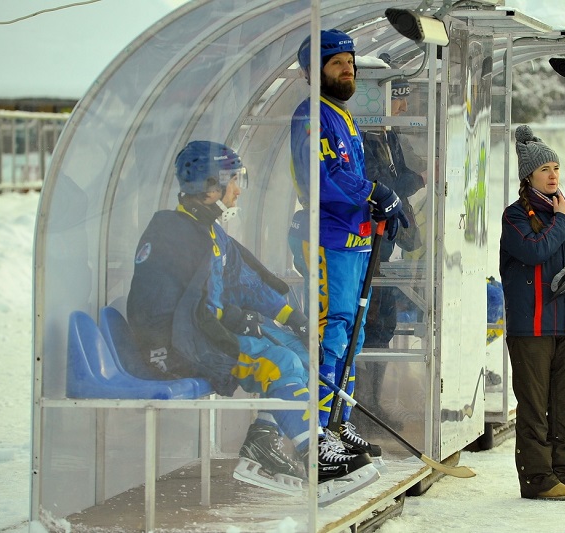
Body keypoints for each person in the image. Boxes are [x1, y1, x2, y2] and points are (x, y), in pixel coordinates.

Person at [127, 140, 378, 503]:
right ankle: (314, 458)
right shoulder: (176, 234)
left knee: (299, 350)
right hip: (178, 346)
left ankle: (262, 440)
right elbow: (170, 313)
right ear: (211, 187)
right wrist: (235, 328)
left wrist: (295, 321)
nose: (239, 188)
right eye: (232, 179)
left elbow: (246, 282)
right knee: (278, 363)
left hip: (201, 333)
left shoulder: (208, 230)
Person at [287, 30, 409, 469]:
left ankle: (339, 421)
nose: (347, 68)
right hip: (329, 242)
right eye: (336, 62)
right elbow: (325, 178)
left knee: (352, 335)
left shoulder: (343, 116)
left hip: (355, 242)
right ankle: (316, 433)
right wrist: (373, 189)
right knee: (332, 334)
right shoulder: (312, 116)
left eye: (350, 62)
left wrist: (380, 203)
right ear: (311, 72)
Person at [499, 125, 565, 501]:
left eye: (556, 167)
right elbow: (534, 252)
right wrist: (560, 220)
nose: (553, 174)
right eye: (545, 169)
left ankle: (562, 471)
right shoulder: (515, 217)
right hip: (533, 328)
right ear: (529, 176)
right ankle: (537, 478)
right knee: (535, 406)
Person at [361, 60, 425, 415]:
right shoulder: (363, 138)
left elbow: (402, 172)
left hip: (385, 247)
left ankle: (374, 401)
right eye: (398, 100)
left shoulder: (389, 136)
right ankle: (361, 406)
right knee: (366, 322)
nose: (403, 108)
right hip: (367, 247)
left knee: (384, 323)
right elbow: (380, 188)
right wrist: (416, 179)